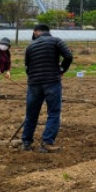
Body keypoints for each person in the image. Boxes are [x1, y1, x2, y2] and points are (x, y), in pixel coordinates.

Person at [21, 24, 73, 152]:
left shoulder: (30, 46)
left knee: (31, 114)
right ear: (48, 32)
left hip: (34, 83)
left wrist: (33, 78)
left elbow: (27, 66)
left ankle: (26, 142)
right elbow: (68, 56)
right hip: (51, 82)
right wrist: (62, 70)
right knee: (53, 113)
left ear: (36, 32)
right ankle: (46, 143)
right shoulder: (56, 41)